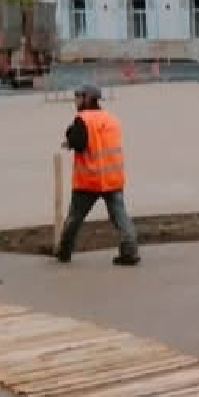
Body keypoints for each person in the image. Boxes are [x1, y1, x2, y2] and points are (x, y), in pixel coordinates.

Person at [55, 83, 140, 266]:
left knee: (75, 217)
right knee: (120, 216)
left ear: (87, 98)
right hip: (112, 178)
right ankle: (130, 250)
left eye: (78, 96)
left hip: (89, 179)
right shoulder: (111, 119)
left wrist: (69, 139)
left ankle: (64, 251)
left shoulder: (83, 119)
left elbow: (78, 141)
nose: (76, 100)